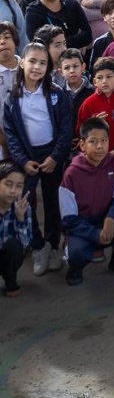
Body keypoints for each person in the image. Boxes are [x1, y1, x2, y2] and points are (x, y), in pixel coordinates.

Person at [2, 40, 73, 277]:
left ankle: (54, 245)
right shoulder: (13, 98)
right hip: (27, 158)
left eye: (43, 63)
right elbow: (10, 133)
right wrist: (22, 160)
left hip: (51, 156)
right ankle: (38, 245)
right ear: (23, 63)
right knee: (23, 199)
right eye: (32, 61)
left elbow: (65, 128)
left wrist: (55, 156)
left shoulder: (57, 94)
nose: (37, 67)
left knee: (54, 203)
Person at [58, 119, 114, 285]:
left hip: (108, 221)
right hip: (84, 226)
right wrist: (95, 234)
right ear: (82, 145)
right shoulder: (71, 174)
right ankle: (75, 268)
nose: (99, 146)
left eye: (104, 141)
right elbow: (68, 218)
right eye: (93, 141)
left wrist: (111, 218)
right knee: (77, 253)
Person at [0, 162, 33, 296]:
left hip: (5, 256)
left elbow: (25, 244)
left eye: (19, 186)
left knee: (14, 246)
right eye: (8, 184)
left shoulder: (22, 206)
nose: (13, 190)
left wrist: (20, 218)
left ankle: (10, 281)